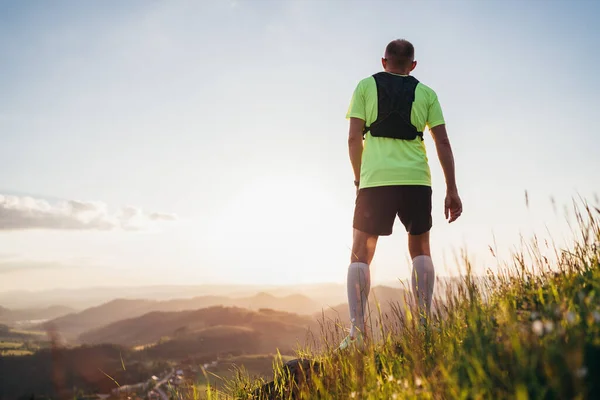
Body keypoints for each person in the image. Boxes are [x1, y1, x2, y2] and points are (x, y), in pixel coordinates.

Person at [339, 39, 462, 350]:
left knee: (360, 251)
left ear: (384, 62)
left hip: (375, 180)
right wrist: (452, 189)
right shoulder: (427, 93)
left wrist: (359, 179)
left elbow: (354, 138)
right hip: (416, 179)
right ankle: (423, 328)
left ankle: (357, 335)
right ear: (413, 65)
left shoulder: (365, 86)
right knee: (420, 248)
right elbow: (443, 143)